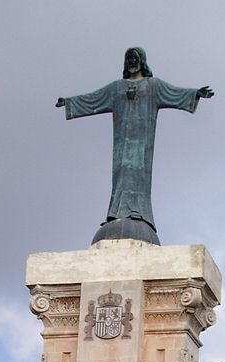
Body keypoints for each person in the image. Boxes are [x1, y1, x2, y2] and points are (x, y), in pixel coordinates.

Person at [56, 47, 213, 242]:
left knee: (139, 175)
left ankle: (140, 213)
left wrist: (196, 93)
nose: (131, 62)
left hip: (142, 141)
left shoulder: (153, 86)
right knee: (121, 172)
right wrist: (70, 103)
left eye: (135, 58)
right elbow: (94, 98)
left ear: (142, 61)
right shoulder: (116, 88)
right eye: (128, 58)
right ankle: (116, 213)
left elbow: (174, 92)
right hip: (122, 142)